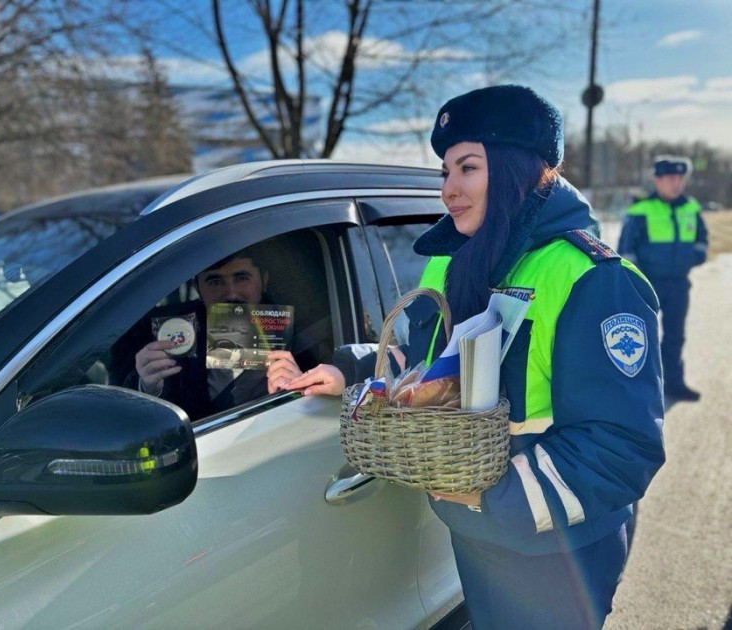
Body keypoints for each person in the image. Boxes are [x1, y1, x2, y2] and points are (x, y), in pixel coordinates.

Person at [282, 85, 666, 629]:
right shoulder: (453, 264)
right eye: (444, 171)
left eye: (468, 168)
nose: (449, 190)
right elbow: (429, 361)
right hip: (473, 528)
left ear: (519, 170)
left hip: (556, 549)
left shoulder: (593, 279)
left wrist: (493, 495)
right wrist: (351, 367)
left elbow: (623, 446)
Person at [130, 247, 305, 419]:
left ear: (264, 280)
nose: (231, 294)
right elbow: (135, 413)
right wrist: (148, 387)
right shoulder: (170, 330)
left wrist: (299, 386)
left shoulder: (303, 333)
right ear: (198, 288)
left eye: (242, 278)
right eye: (215, 282)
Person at [618, 156, 708, 401]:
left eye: (680, 178)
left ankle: (674, 385)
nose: (675, 183)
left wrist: (696, 256)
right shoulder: (641, 210)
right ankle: (640, 391)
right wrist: (636, 281)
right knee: (641, 337)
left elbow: (702, 238)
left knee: (675, 336)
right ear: (657, 180)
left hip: (679, 283)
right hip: (649, 284)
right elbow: (626, 250)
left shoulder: (691, 208)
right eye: (669, 178)